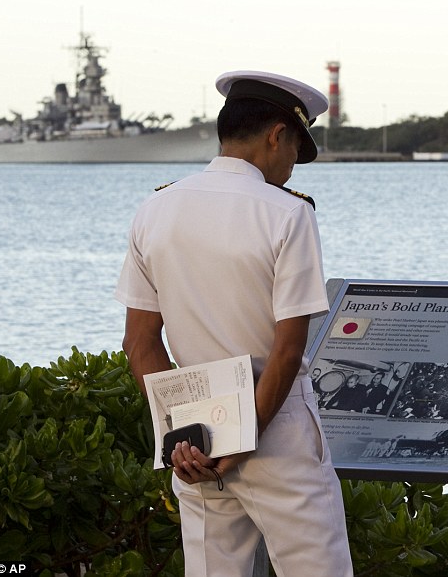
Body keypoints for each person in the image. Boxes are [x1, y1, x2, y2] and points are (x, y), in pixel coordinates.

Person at [115, 70, 353, 577]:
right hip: (277, 428)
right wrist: (244, 437)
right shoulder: (287, 215)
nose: (292, 167)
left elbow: (139, 343)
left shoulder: (154, 210)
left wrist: (184, 436)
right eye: (295, 149)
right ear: (276, 135)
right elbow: (287, 350)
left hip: (195, 434)